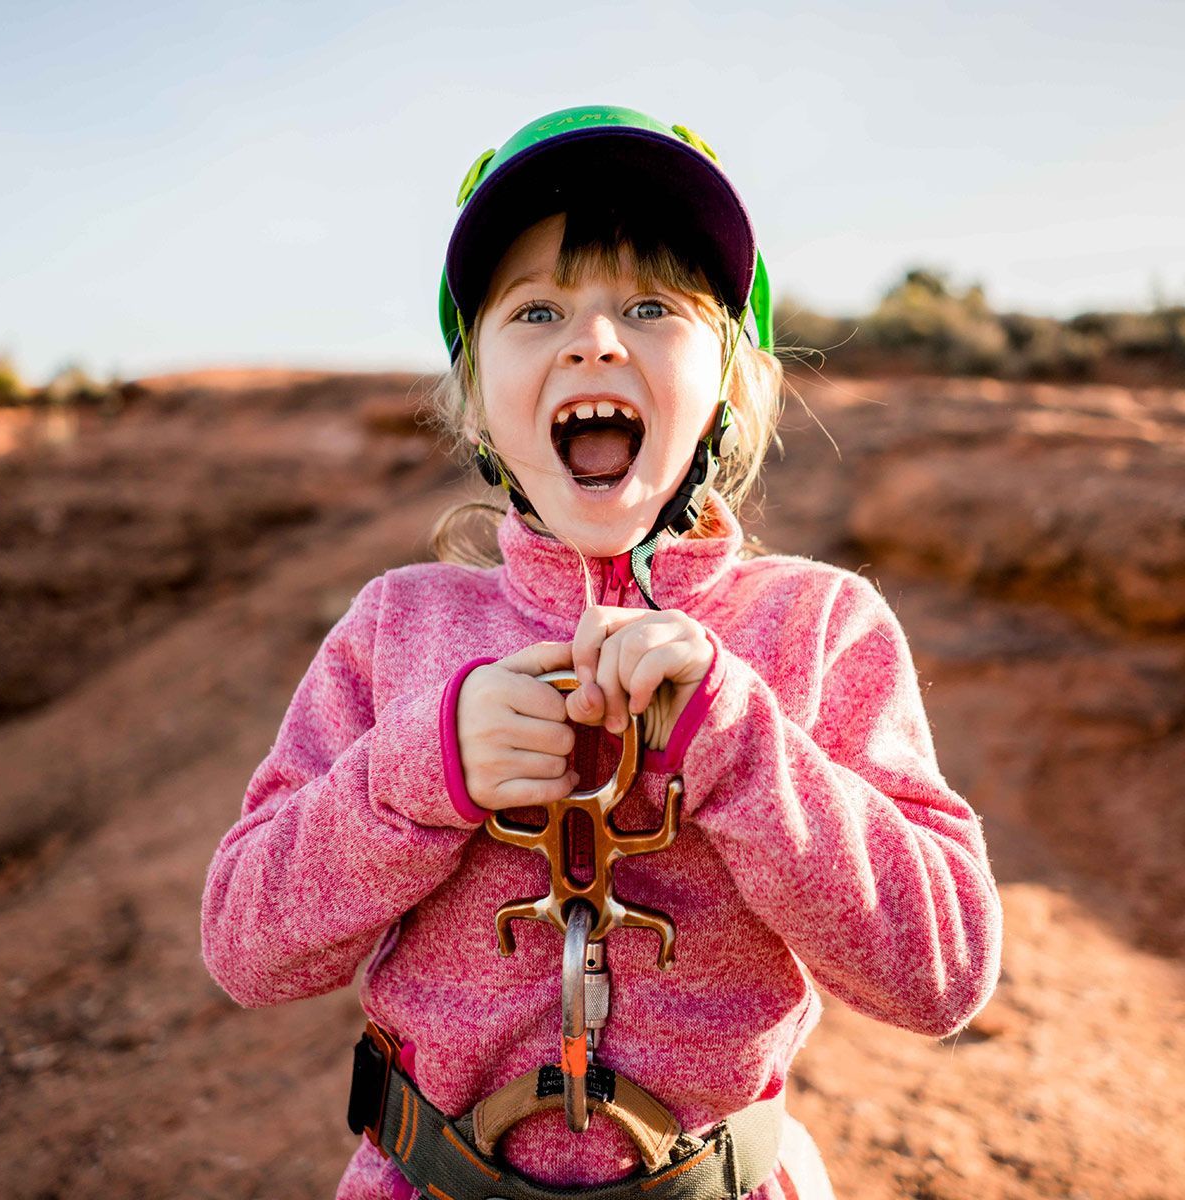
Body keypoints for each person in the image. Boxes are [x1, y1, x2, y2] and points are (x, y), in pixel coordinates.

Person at [201, 105, 1003, 1200]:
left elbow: (942, 970)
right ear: (476, 401)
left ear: (727, 380)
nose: (593, 341)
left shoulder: (817, 627)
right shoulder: (397, 627)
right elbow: (247, 946)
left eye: (648, 306)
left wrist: (737, 743)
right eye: (534, 310)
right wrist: (418, 772)